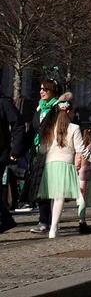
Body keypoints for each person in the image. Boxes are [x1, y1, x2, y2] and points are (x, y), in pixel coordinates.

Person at [37, 96, 91, 238]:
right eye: (73, 112)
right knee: (59, 197)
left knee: (54, 197)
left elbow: (42, 148)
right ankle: (53, 229)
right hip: (65, 164)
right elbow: (81, 150)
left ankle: (55, 227)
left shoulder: (51, 128)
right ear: (69, 112)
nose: (74, 114)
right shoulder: (74, 128)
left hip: (50, 165)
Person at [25, 79, 62, 234]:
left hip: (51, 150)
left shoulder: (57, 108)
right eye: (40, 89)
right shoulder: (40, 108)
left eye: (45, 89)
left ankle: (52, 221)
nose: (41, 92)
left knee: (50, 186)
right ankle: (43, 220)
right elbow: (34, 129)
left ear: (52, 91)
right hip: (38, 151)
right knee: (40, 184)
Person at [0, 91, 25, 233]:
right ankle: (6, 218)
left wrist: (15, 150)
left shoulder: (3, 101)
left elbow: (18, 123)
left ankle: (6, 218)